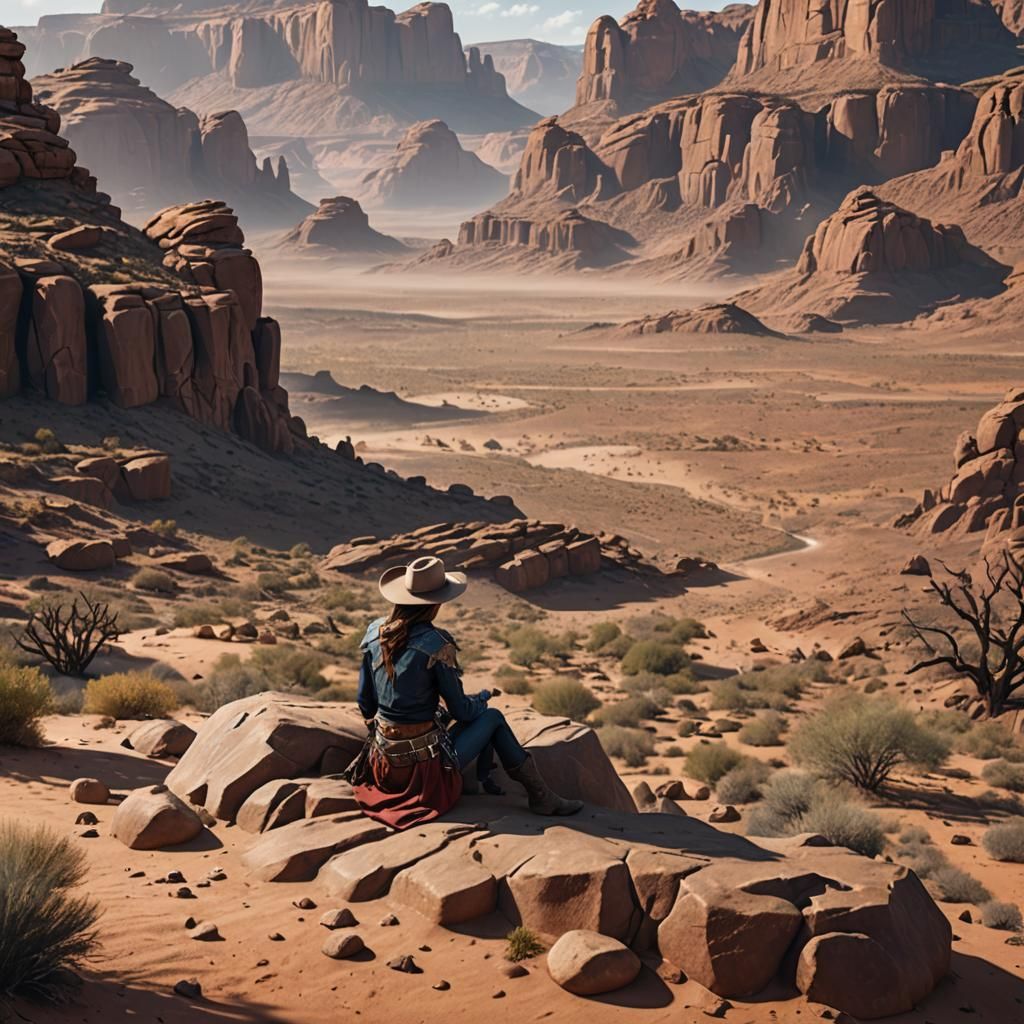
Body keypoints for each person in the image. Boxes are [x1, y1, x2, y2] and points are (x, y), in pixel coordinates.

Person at [349, 555, 583, 829]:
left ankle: (486, 779)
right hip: (422, 774)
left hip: (384, 767)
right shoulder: (437, 644)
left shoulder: (376, 632)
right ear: (436, 604)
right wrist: (480, 703)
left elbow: (365, 700)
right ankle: (542, 797)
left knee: (459, 719)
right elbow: (460, 710)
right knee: (492, 718)